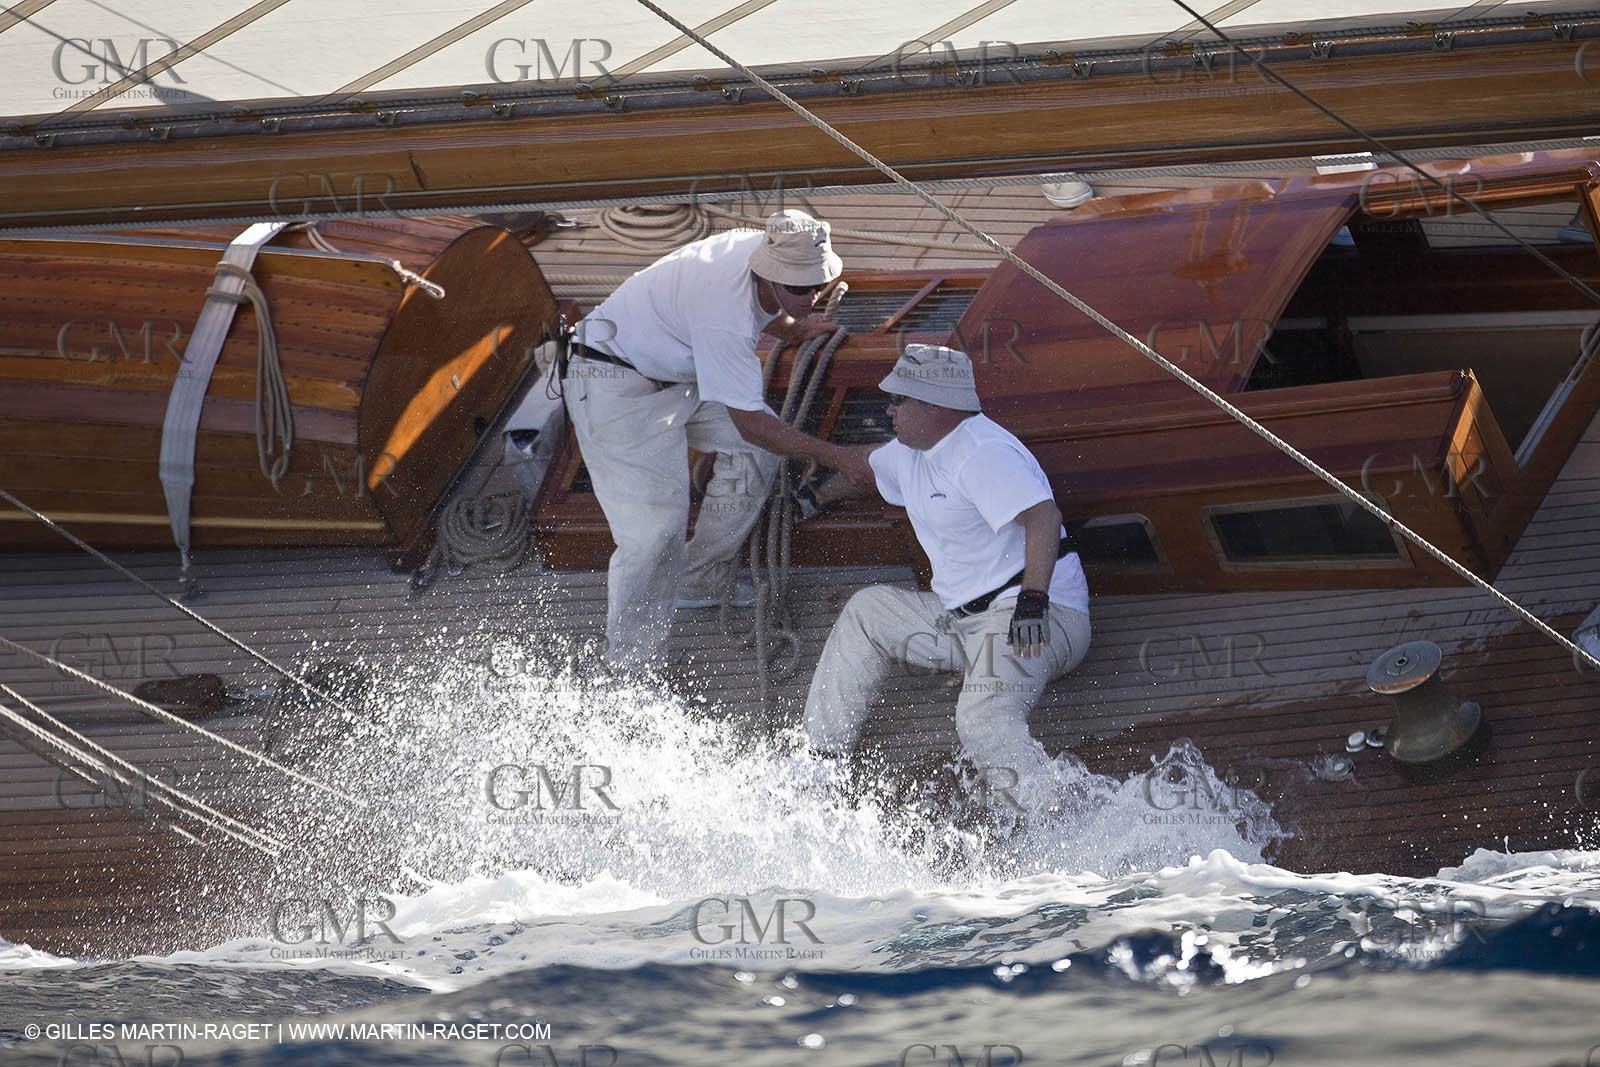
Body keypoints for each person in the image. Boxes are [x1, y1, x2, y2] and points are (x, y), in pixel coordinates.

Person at [562, 210, 874, 673]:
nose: (812, 297)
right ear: (768, 274)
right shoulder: (724, 317)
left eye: (817, 286)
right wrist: (839, 457)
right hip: (614, 383)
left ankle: (700, 578)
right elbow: (750, 422)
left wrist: (793, 326)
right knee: (653, 537)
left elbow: (766, 304)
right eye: (800, 290)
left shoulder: (765, 247)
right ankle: (629, 670)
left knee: (762, 452)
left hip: (677, 372)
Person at [798, 344, 1091, 814]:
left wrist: (1033, 601)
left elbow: (1042, 517)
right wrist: (807, 499)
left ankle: (1052, 824)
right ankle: (820, 763)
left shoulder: (982, 452)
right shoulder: (912, 451)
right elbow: (862, 470)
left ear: (935, 406)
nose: (889, 409)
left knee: (983, 720)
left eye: (899, 400)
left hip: (1035, 616)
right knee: (866, 611)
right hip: (963, 625)